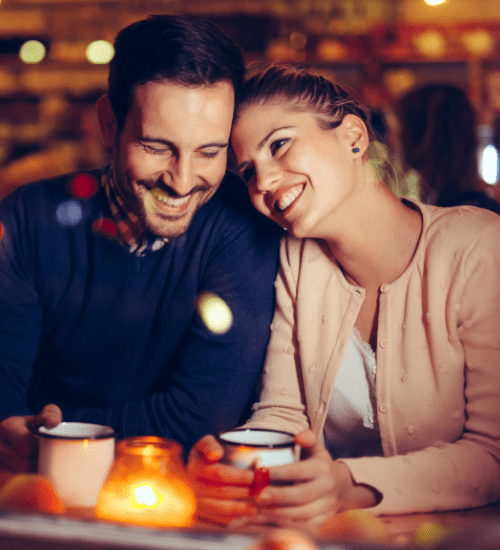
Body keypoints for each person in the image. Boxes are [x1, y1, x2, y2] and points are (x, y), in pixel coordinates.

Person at [188, 64, 500, 527]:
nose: (264, 183)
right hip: (335, 535)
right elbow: (282, 411)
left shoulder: (479, 246)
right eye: (249, 171)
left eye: (279, 145)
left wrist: (345, 484)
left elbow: (493, 455)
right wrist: (237, 458)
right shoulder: (296, 258)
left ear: (354, 137)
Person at [0, 15, 283, 473]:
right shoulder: (26, 217)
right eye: (157, 147)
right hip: (35, 489)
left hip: (175, 493)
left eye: (210, 152)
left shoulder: (244, 224)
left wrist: (53, 431)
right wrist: (13, 426)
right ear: (109, 125)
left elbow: (202, 416)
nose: (183, 180)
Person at [396, 83, 500, 214]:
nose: (396, 137)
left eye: (402, 128)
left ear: (427, 138)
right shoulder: (471, 202)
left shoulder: (460, 210)